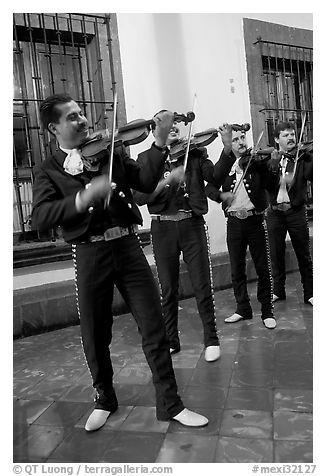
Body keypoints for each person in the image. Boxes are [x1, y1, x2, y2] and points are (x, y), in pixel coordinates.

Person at [31, 93, 209, 432]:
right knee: (95, 333)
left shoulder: (111, 150)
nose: (83, 120)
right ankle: (104, 399)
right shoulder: (48, 169)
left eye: (81, 112)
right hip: (88, 252)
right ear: (54, 128)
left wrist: (158, 142)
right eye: (72, 117)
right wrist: (82, 198)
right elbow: (40, 216)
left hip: (127, 246)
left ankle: (170, 404)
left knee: (154, 325)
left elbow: (143, 181)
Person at [133, 117, 220, 362]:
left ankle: (211, 338)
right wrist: (166, 182)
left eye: (175, 124)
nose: (172, 127)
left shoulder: (194, 154)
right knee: (168, 289)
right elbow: (140, 197)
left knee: (202, 284)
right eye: (164, 124)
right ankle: (171, 339)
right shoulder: (145, 160)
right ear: (154, 132)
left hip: (191, 224)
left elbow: (216, 176)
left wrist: (226, 150)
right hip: (162, 229)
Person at [205, 123, 278, 329]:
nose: (241, 142)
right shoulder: (224, 165)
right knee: (236, 268)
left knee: (263, 267)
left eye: (242, 137)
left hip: (255, 220)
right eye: (235, 138)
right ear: (228, 141)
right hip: (234, 222)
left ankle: (267, 311)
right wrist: (220, 196)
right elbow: (209, 187)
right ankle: (243, 308)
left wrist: (272, 166)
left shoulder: (257, 162)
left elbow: (271, 186)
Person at [265, 121, 313, 306]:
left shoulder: (302, 158)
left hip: (296, 212)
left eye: (292, 134)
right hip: (275, 212)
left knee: (303, 253)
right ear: (277, 140)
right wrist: (275, 165)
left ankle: (309, 292)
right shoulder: (270, 160)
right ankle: (278, 291)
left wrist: (310, 157)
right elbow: (267, 185)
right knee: (276, 254)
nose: (291, 138)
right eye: (286, 135)